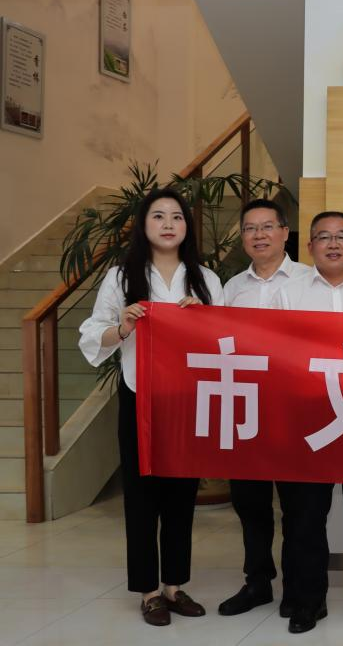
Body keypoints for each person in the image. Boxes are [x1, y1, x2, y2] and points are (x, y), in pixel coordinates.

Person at [78, 188, 223, 626]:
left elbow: (225, 341)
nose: (168, 224)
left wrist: (204, 319)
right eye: (158, 216)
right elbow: (93, 333)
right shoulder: (121, 276)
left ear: (187, 227)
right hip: (139, 394)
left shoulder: (205, 278)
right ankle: (148, 592)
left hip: (188, 398)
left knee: (181, 496)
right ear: (144, 225)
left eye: (176, 216)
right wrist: (123, 326)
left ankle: (174, 586)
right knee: (141, 498)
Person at [272, 211, 343, 634]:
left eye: (342, 236)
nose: (333, 244)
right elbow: (275, 353)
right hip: (309, 421)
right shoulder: (287, 295)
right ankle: (309, 602)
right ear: (310, 247)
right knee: (306, 518)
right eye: (323, 237)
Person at [217, 198, 311, 618]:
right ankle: (257, 582)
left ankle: (297, 586)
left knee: (298, 506)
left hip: (296, 408)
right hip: (246, 407)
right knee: (250, 503)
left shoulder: (310, 281)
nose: (259, 235)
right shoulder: (231, 289)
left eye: (267, 226)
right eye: (250, 229)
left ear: (285, 233)